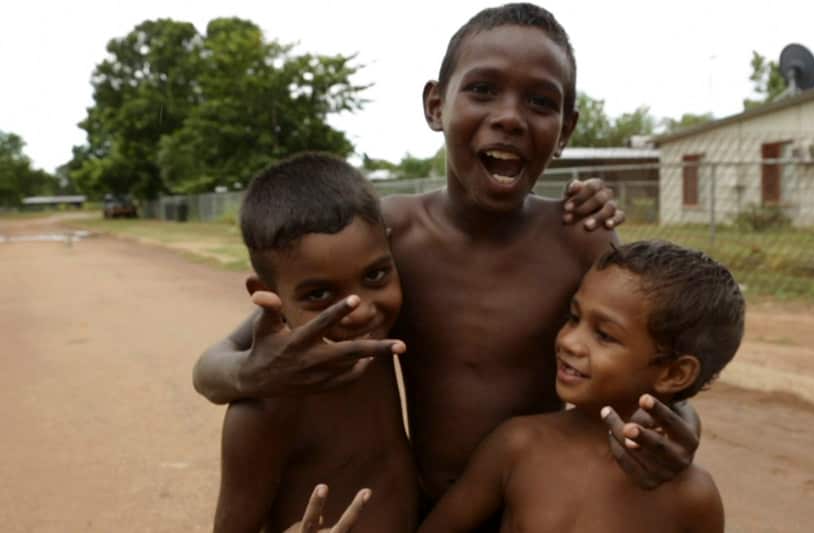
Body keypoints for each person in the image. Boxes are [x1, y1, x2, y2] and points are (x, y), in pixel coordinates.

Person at [194, 2, 700, 521]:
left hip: (528, 511)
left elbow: (654, 365)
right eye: (483, 89)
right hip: (423, 507)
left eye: (540, 101)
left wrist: (680, 425)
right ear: (436, 105)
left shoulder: (581, 241)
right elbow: (213, 370)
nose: (509, 116)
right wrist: (253, 375)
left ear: (566, 128)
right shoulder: (387, 239)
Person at [419, 241, 745, 532]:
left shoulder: (693, 498)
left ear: (675, 374)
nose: (569, 342)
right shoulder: (518, 445)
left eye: (604, 335)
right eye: (573, 317)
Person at [212, 153, 417, 533]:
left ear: (391, 253)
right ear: (267, 294)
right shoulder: (263, 411)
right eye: (320, 294)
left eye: (374, 275)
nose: (357, 310)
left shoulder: (376, 346)